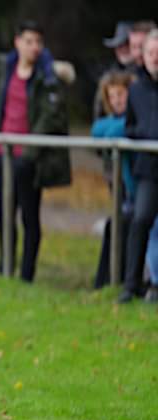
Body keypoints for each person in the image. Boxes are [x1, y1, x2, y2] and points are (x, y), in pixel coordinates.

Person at [0, 21, 72, 283]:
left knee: (29, 215)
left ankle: (26, 274)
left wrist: (30, 153)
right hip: (2, 153)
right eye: (29, 41)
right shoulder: (5, 69)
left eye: (38, 42)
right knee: (3, 214)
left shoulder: (47, 76)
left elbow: (51, 117)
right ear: (17, 42)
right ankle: (6, 267)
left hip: (28, 157)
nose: (34, 47)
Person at [121, 30, 158, 303]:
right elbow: (129, 128)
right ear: (143, 56)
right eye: (151, 53)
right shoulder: (135, 90)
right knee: (140, 219)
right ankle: (130, 285)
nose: (155, 58)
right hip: (149, 170)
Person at [91, 71, 135, 289]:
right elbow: (96, 131)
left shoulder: (139, 116)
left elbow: (109, 133)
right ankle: (103, 283)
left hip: (136, 188)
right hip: (124, 189)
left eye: (121, 94)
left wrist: (115, 130)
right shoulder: (111, 121)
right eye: (112, 96)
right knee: (114, 226)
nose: (118, 100)